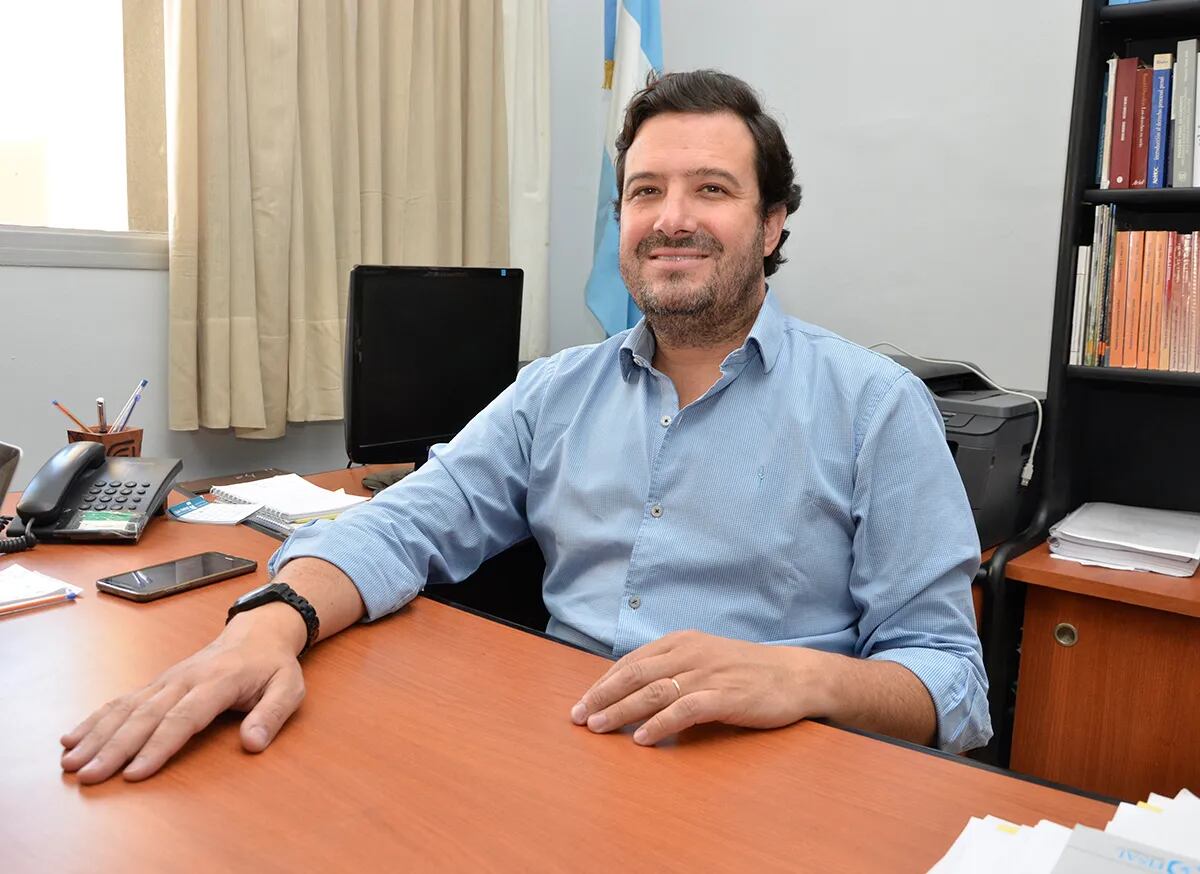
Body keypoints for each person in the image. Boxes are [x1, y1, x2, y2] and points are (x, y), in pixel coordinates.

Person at [60, 70, 991, 785]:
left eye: (711, 189)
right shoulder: (555, 392)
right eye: (644, 192)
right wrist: (269, 625)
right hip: (569, 754)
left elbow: (951, 679)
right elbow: (405, 521)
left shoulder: (875, 407)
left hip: (777, 779)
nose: (672, 220)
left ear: (774, 224)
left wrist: (804, 680)